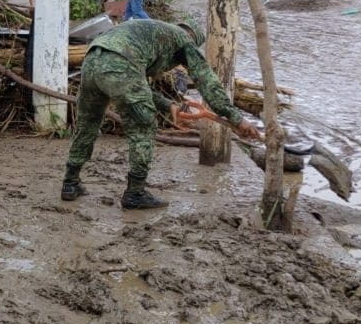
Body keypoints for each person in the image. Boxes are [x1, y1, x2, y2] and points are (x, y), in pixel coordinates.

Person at [60, 19, 260, 209]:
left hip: (91, 60)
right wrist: (236, 117)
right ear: (193, 40)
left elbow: (133, 82)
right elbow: (207, 81)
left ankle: (70, 183)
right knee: (144, 127)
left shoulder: (152, 33)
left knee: (87, 124)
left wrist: (169, 105)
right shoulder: (184, 41)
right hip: (120, 64)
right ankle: (135, 194)